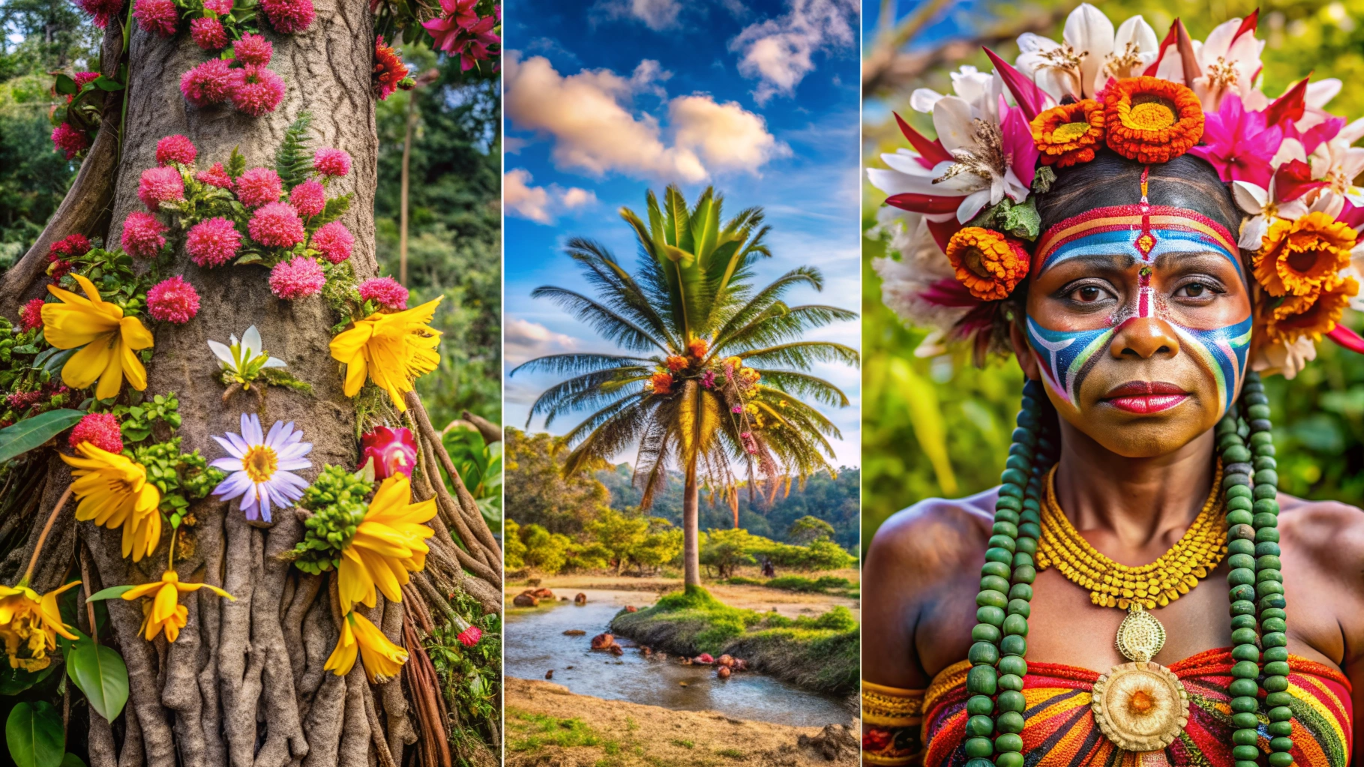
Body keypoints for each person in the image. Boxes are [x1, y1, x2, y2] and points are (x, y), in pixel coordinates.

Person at [861, 6, 1364, 766]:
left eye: (1196, 287)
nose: (1146, 331)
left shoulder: (1345, 560)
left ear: (1262, 320)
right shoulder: (925, 558)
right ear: (1019, 332)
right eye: (1087, 291)